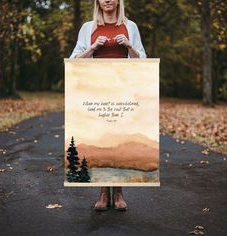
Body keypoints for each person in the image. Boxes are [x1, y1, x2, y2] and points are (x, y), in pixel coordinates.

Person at [70, 0, 146, 211]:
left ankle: (119, 193)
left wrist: (129, 46)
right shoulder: (88, 28)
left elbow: (143, 62)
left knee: (119, 140)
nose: (107, 0)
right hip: (97, 90)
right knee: (101, 141)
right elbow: (74, 61)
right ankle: (103, 194)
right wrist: (93, 47)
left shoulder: (130, 26)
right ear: (98, 2)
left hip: (123, 91)